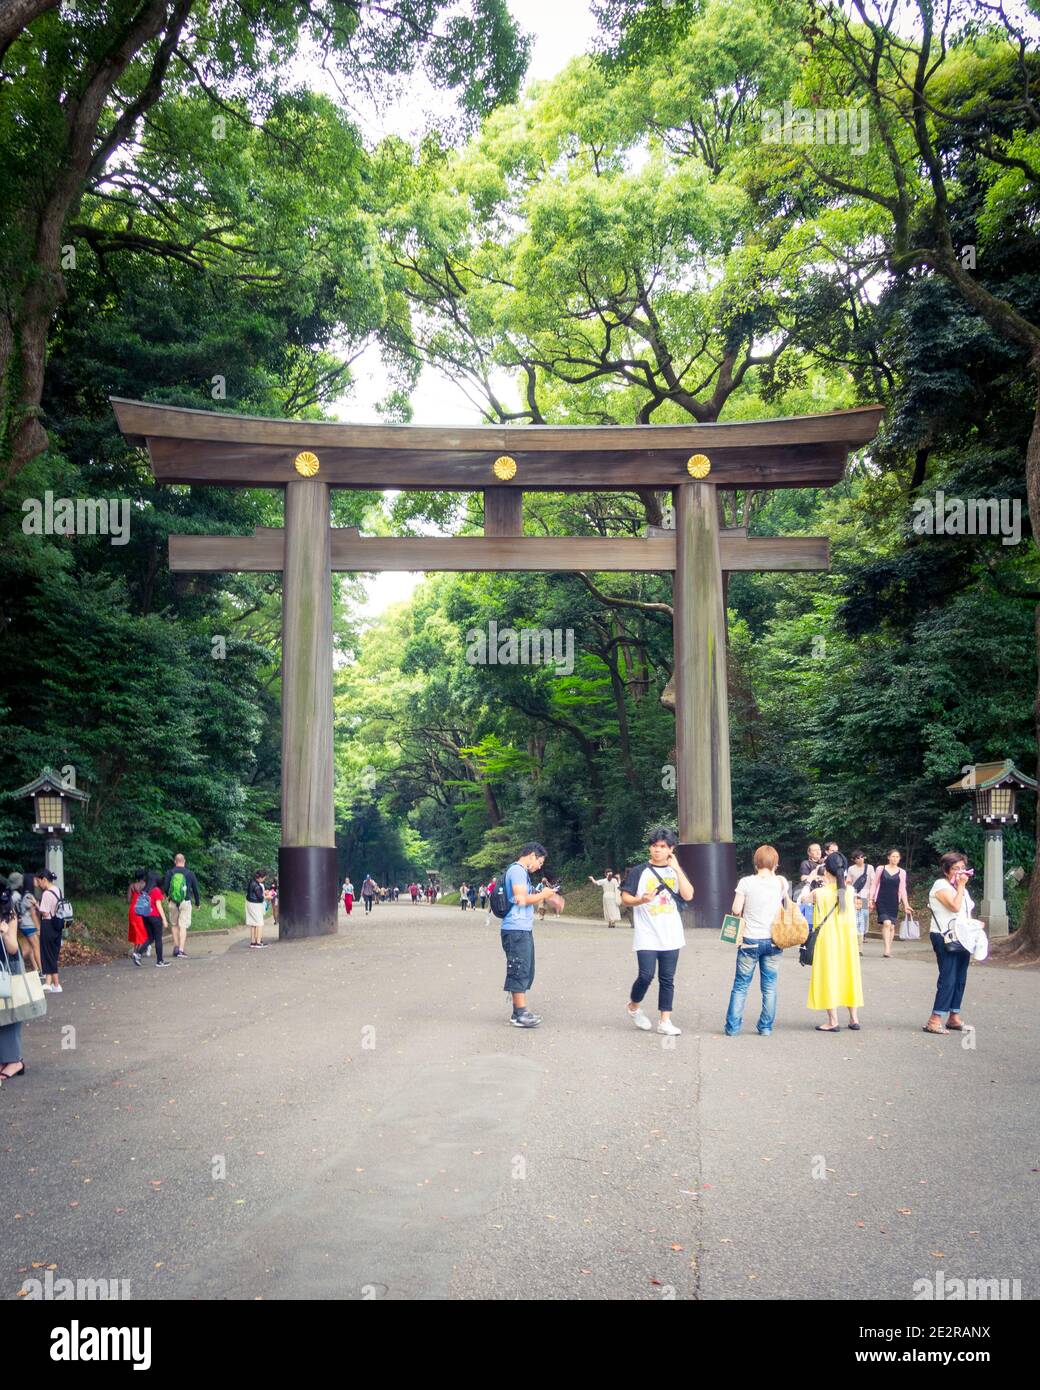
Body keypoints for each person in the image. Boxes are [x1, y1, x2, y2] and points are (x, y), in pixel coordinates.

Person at [621, 827, 694, 1037]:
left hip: (671, 933)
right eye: (654, 846)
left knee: (667, 979)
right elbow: (625, 898)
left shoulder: (675, 871)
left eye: (662, 847)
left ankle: (665, 1021)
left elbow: (688, 895)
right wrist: (640, 900)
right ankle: (634, 1006)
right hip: (647, 933)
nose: (657, 850)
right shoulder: (639, 871)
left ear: (671, 849)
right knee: (645, 975)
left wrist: (678, 868)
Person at [724, 846, 789, 1036]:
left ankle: (733, 1027)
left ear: (756, 861)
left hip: (750, 940)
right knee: (769, 987)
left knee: (741, 985)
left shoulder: (746, 882)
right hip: (774, 941)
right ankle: (765, 1027)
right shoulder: (781, 882)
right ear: (775, 862)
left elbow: (736, 909)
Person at [499, 843, 563, 1028]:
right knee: (519, 968)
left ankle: (516, 1012)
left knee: (525, 968)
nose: (539, 867)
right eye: (540, 862)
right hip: (515, 928)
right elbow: (521, 899)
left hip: (521, 928)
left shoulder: (520, 873)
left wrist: (548, 896)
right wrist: (544, 893)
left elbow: (526, 896)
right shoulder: (518, 871)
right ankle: (520, 1013)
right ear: (532, 856)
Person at [923, 852, 979, 1035]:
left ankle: (954, 1016)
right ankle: (934, 1019)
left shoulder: (962, 889)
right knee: (948, 976)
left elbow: (964, 912)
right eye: (956, 868)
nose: (961, 872)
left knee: (960, 977)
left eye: (963, 868)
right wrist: (961, 886)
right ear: (947, 870)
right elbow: (954, 906)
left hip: (963, 936)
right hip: (944, 936)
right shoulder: (941, 885)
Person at [806, 851, 862, 1031]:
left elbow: (800, 900)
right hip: (848, 939)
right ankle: (854, 1019)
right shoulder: (851, 891)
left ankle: (833, 1020)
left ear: (826, 870)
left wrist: (811, 879)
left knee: (828, 975)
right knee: (849, 974)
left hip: (827, 940)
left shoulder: (819, 893)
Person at [0, 887, 28, 1082]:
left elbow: (12, 947)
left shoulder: (10, 915)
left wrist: (3, 932)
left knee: (11, 1013)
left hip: (10, 969)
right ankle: (5, 1059)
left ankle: (16, 1061)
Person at [870, 847, 910, 959]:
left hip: (893, 901)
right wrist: (871, 899)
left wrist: (906, 904)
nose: (895, 858)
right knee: (887, 923)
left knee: (892, 926)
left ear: (899, 858)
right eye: (893, 856)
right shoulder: (880, 869)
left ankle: (889, 947)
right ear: (888, 857)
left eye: (897, 857)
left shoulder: (902, 872)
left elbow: (903, 889)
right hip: (881, 899)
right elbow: (874, 884)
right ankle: (887, 949)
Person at [162, 853, 201, 960]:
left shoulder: (170, 872)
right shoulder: (190, 873)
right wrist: (197, 903)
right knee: (183, 926)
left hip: (173, 901)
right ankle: (181, 950)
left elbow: (165, 887)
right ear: (184, 861)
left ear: (175, 861)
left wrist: (168, 896)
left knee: (174, 925)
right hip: (185, 902)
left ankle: (176, 947)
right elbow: (196, 890)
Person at [34, 870, 65, 993]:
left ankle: (56, 984)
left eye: (39, 881)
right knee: (52, 953)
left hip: (48, 924)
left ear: (44, 880)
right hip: (57, 924)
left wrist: (37, 906)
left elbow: (45, 911)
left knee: (47, 953)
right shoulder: (58, 890)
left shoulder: (46, 893)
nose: (38, 884)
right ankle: (49, 983)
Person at [9, 873, 41, 975]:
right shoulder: (28, 896)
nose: (37, 881)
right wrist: (38, 927)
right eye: (35, 880)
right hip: (29, 925)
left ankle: (35, 970)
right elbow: (32, 914)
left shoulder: (17, 895)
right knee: (36, 947)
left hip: (22, 924)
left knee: (30, 949)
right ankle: (42, 970)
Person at [845, 850, 874, 953]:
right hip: (855, 895)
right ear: (854, 860)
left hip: (866, 894)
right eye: (857, 858)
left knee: (865, 914)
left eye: (862, 857)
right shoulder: (851, 869)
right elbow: (848, 881)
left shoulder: (869, 867)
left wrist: (872, 897)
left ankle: (864, 932)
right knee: (857, 915)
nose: (860, 859)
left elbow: (873, 881)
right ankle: (859, 935)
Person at [797, 843, 825, 927]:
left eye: (819, 849)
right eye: (815, 850)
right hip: (809, 895)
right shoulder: (806, 863)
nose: (818, 852)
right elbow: (803, 878)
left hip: (822, 895)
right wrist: (814, 876)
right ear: (809, 853)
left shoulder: (825, 864)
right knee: (810, 922)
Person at [127, 873, 150, 964]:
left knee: (136, 931)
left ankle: (136, 952)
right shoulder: (146, 885)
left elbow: (128, 900)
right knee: (142, 931)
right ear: (144, 876)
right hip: (143, 910)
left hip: (133, 909)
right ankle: (136, 952)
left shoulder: (132, 886)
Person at [246, 870, 269, 948]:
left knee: (253, 923)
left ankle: (253, 942)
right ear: (260, 878)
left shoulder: (251, 882)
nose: (264, 880)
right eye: (264, 878)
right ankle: (258, 943)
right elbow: (260, 898)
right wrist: (267, 897)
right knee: (259, 923)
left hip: (249, 903)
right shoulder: (257, 886)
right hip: (255, 904)